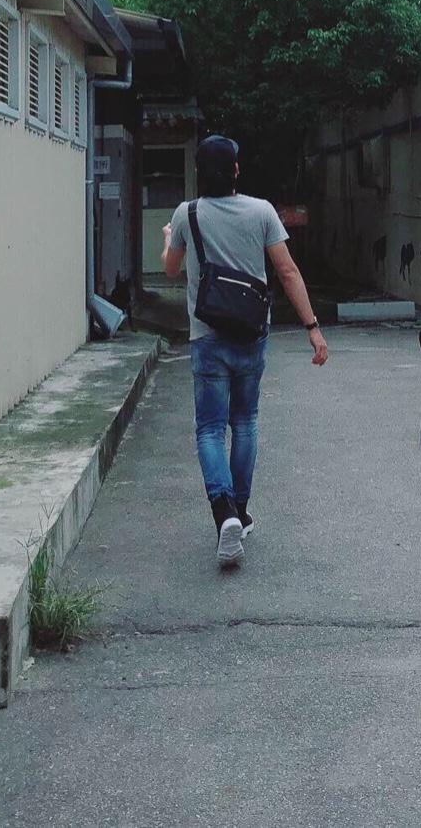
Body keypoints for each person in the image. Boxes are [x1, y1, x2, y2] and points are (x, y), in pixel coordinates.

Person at [162, 134, 328, 567]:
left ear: (199, 172)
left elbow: (171, 268)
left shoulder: (187, 214)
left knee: (210, 428)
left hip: (207, 336)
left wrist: (168, 238)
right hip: (252, 334)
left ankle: (225, 514)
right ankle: (240, 509)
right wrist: (312, 328)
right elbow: (287, 272)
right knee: (246, 421)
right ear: (236, 170)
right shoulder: (262, 211)